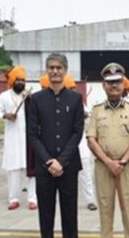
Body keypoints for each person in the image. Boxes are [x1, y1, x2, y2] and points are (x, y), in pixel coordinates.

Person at [27, 54, 85, 238]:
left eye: (59, 68)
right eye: (51, 67)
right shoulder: (36, 99)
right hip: (45, 168)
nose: (55, 71)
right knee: (45, 216)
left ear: (66, 71)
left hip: (68, 166)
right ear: (47, 70)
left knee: (70, 216)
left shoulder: (75, 99)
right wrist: (49, 161)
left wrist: (61, 161)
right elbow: (32, 135)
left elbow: (77, 132)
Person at [87, 63, 129, 238]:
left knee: (128, 209)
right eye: (110, 82)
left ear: (123, 84)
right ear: (104, 85)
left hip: (126, 167)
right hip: (103, 167)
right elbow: (91, 139)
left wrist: (122, 161)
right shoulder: (96, 110)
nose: (114, 86)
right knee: (105, 210)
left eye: (117, 82)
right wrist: (108, 162)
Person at [0, 66, 37, 210]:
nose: (20, 82)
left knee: (31, 170)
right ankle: (13, 198)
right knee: (14, 171)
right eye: (18, 80)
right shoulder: (4, 96)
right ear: (12, 81)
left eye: (23, 80)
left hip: (28, 139)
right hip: (13, 139)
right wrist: (6, 115)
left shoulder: (29, 96)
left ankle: (32, 198)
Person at [59, 74, 98, 212]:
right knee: (67, 178)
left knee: (86, 174)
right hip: (65, 148)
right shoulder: (58, 102)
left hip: (81, 146)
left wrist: (85, 115)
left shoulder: (78, 102)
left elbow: (89, 121)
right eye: (71, 88)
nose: (73, 90)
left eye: (74, 88)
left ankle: (90, 200)